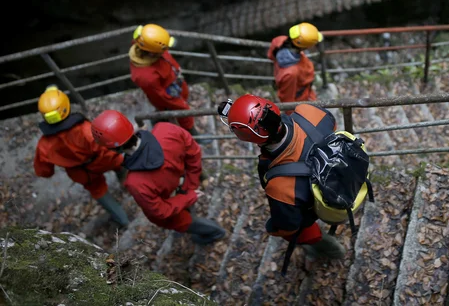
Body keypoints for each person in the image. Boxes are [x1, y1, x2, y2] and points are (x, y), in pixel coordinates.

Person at [217, 94, 345, 262]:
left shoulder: (279, 185)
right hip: (339, 171)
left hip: (312, 204)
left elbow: (288, 227)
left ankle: (332, 251)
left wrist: (272, 228)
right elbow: (332, 124)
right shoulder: (309, 111)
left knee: (304, 232)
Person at [90, 109, 225, 245]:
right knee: (186, 214)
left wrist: (188, 197)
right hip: (184, 182)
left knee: (185, 221)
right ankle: (211, 229)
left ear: (111, 149)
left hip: (172, 202)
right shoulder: (166, 130)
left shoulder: (135, 182)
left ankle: (217, 233)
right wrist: (190, 187)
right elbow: (194, 153)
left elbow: (161, 212)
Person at [33, 86, 129, 227]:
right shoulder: (85, 130)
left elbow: (44, 172)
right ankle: (127, 185)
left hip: (81, 173)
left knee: (98, 191)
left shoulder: (44, 145)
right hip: (103, 160)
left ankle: (123, 220)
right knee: (119, 163)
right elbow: (105, 145)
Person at [128, 23, 211, 144]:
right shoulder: (146, 77)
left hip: (173, 81)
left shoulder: (144, 44)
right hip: (167, 94)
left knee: (175, 105)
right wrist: (181, 106)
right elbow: (161, 97)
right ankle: (192, 134)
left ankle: (158, 118)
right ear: (152, 53)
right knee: (184, 112)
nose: (166, 51)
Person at [268, 22, 323, 105]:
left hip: (303, 89)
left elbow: (270, 55)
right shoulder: (291, 73)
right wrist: (293, 115)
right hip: (301, 99)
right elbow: (287, 100)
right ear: (305, 47)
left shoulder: (280, 41)